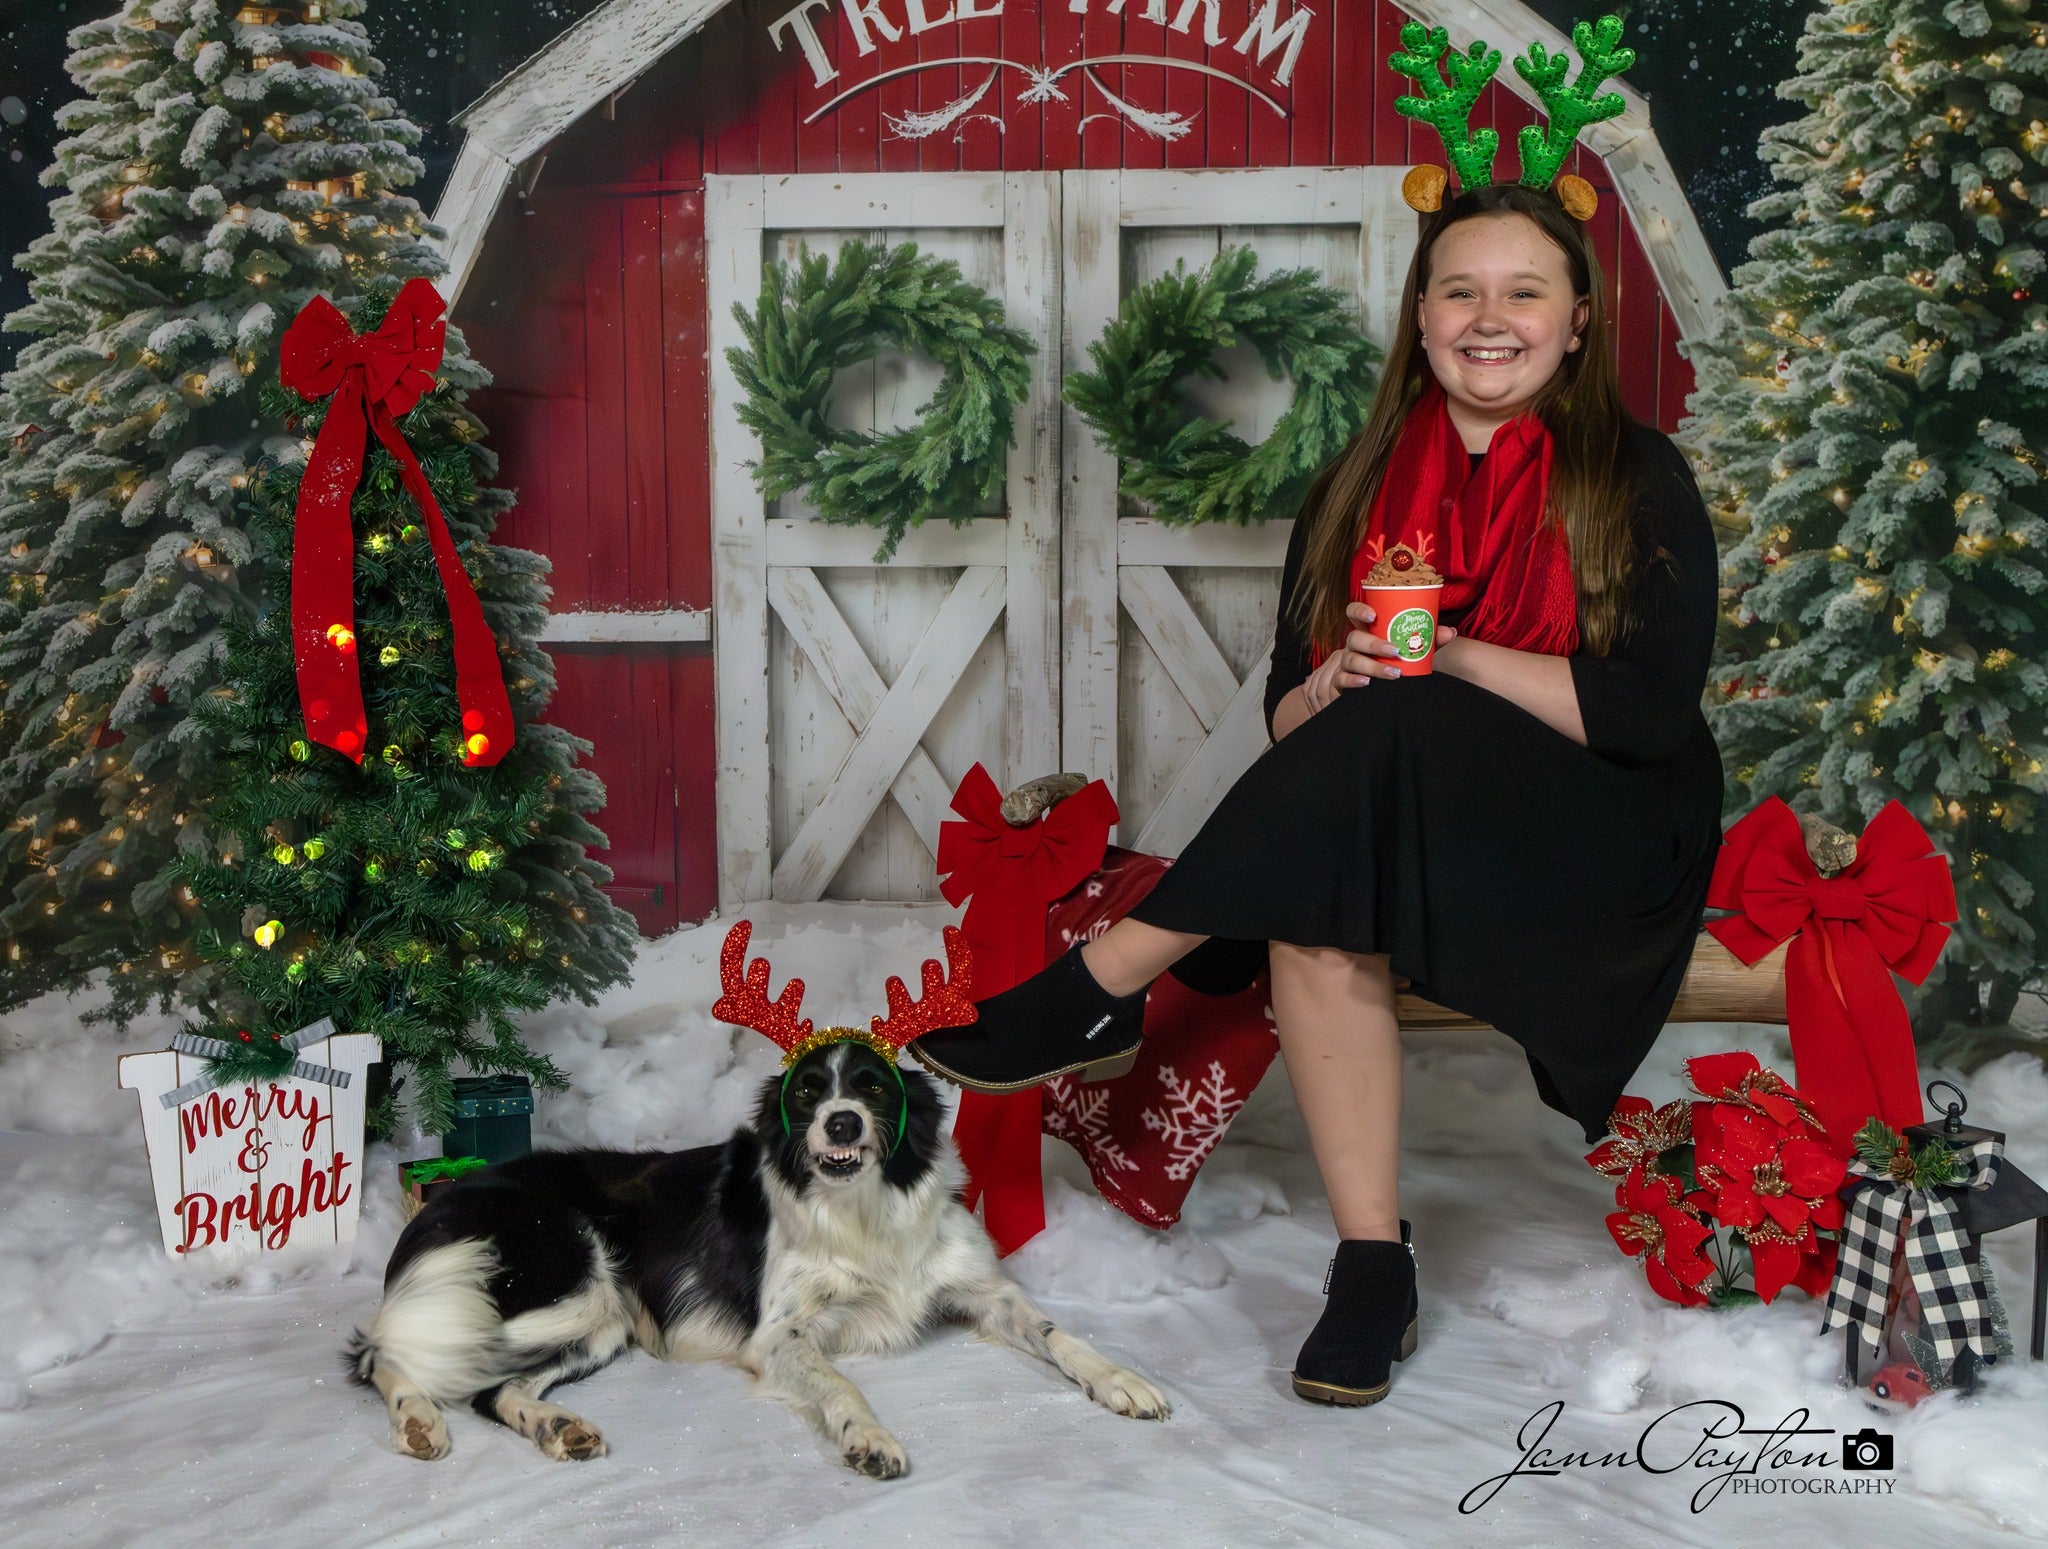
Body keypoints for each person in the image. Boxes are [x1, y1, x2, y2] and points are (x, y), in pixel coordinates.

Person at [911, 180, 1723, 1407]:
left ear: (1574, 323)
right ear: (1418, 313)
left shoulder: (1635, 476)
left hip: (1595, 837)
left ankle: (1096, 987)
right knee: (1321, 875)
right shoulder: (1357, 480)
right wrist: (1334, 682)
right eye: (1458, 290)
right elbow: (1288, 720)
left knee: (1398, 719)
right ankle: (1370, 1266)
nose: (1486, 317)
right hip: (1391, 825)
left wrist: (1445, 654)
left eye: (1521, 292)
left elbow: (1649, 716)